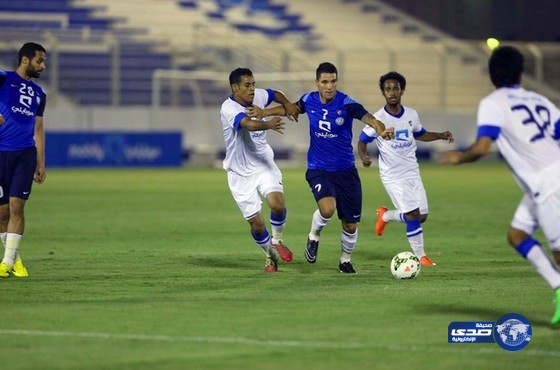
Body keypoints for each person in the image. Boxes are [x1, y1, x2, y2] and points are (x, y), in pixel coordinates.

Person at [439, 45, 560, 325]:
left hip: (547, 184)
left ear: (492, 75)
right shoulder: (540, 100)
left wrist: (460, 157)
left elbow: (482, 147)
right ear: (520, 73)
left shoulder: (493, 103)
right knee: (517, 234)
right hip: (544, 181)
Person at [288, 62, 393, 273]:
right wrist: (263, 113)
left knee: (350, 225)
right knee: (327, 209)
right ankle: (313, 236)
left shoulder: (347, 103)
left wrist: (381, 130)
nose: (329, 86)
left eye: (333, 81)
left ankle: (345, 260)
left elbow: (371, 119)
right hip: (319, 169)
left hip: (346, 171)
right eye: (325, 82)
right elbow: (290, 108)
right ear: (317, 83)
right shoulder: (308, 100)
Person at [357, 71, 454, 267]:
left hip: (412, 172)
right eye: (387, 89)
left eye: (395, 88)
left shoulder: (411, 114)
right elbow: (362, 140)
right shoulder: (378, 118)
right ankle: (421, 256)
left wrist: (440, 135)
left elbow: (420, 134)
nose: (392, 92)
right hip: (393, 176)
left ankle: (385, 215)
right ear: (383, 93)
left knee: (421, 216)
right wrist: (364, 156)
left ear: (402, 91)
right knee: (412, 215)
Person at [220, 67, 298, 273]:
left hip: (263, 163)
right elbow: (247, 124)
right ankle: (270, 255)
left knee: (277, 205)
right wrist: (269, 124)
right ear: (235, 87)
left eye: (253, 84)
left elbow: (275, 94)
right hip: (239, 173)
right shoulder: (229, 108)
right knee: (256, 224)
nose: (252, 89)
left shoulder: (259, 96)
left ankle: (278, 241)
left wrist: (288, 104)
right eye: (247, 85)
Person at [0, 42, 47, 278]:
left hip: (25, 154)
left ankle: (6, 262)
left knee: (17, 206)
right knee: (2, 213)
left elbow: (38, 128)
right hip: (0, 153)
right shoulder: (3, 78)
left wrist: (41, 161)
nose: (43, 65)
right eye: (39, 60)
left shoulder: (40, 94)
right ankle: (15, 259)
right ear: (25, 60)